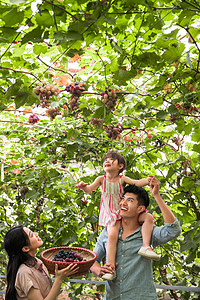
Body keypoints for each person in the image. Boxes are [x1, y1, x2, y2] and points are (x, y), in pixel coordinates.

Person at [90, 176, 182, 300]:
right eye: (123, 199)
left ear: (140, 209)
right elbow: (92, 261)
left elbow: (173, 230)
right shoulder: (108, 232)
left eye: (130, 200)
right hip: (113, 297)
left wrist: (157, 196)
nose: (123, 203)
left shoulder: (148, 232)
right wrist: (100, 270)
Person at [76, 152, 160, 281]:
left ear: (120, 166)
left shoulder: (122, 179)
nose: (107, 161)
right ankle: (110, 268)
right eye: (106, 160)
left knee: (148, 217)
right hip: (111, 213)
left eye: (111, 160)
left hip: (123, 210)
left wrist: (148, 181)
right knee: (112, 236)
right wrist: (83, 187)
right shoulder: (101, 179)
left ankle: (145, 246)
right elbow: (90, 189)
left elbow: (137, 183)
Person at [4, 225, 79, 300]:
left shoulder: (37, 262)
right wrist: (59, 279)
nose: (36, 234)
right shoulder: (25, 272)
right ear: (26, 248)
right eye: (31, 235)